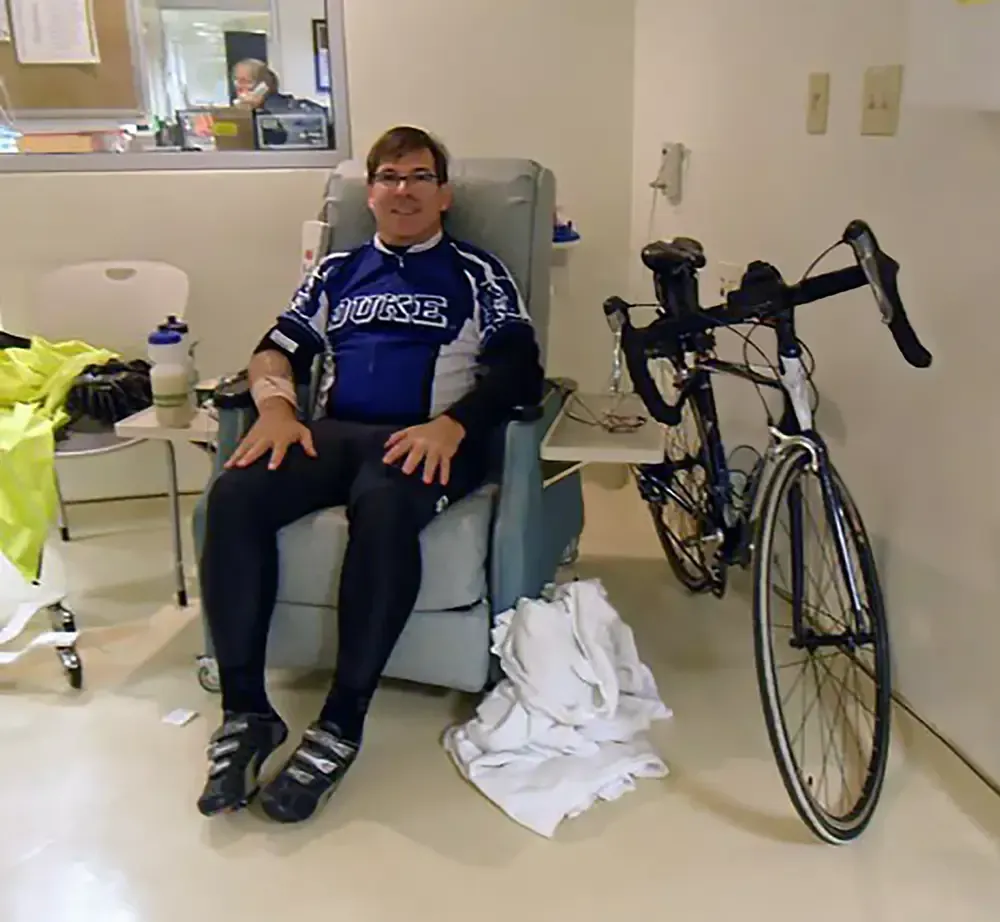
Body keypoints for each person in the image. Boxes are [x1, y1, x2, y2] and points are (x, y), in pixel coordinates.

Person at [197, 126, 544, 823]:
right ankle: (247, 713)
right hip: (336, 433)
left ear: (443, 195)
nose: (402, 190)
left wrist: (454, 424)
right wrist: (274, 408)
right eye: (388, 177)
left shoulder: (479, 273)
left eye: (419, 177)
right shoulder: (336, 270)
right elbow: (275, 350)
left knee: (384, 509)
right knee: (234, 494)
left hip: (431, 438)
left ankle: (340, 722)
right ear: (371, 192)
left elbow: (518, 368)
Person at [231, 59, 326, 114]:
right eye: (236, 80)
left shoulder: (282, 108)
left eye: (246, 81)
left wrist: (258, 112)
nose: (239, 86)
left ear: (263, 86)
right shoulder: (239, 111)